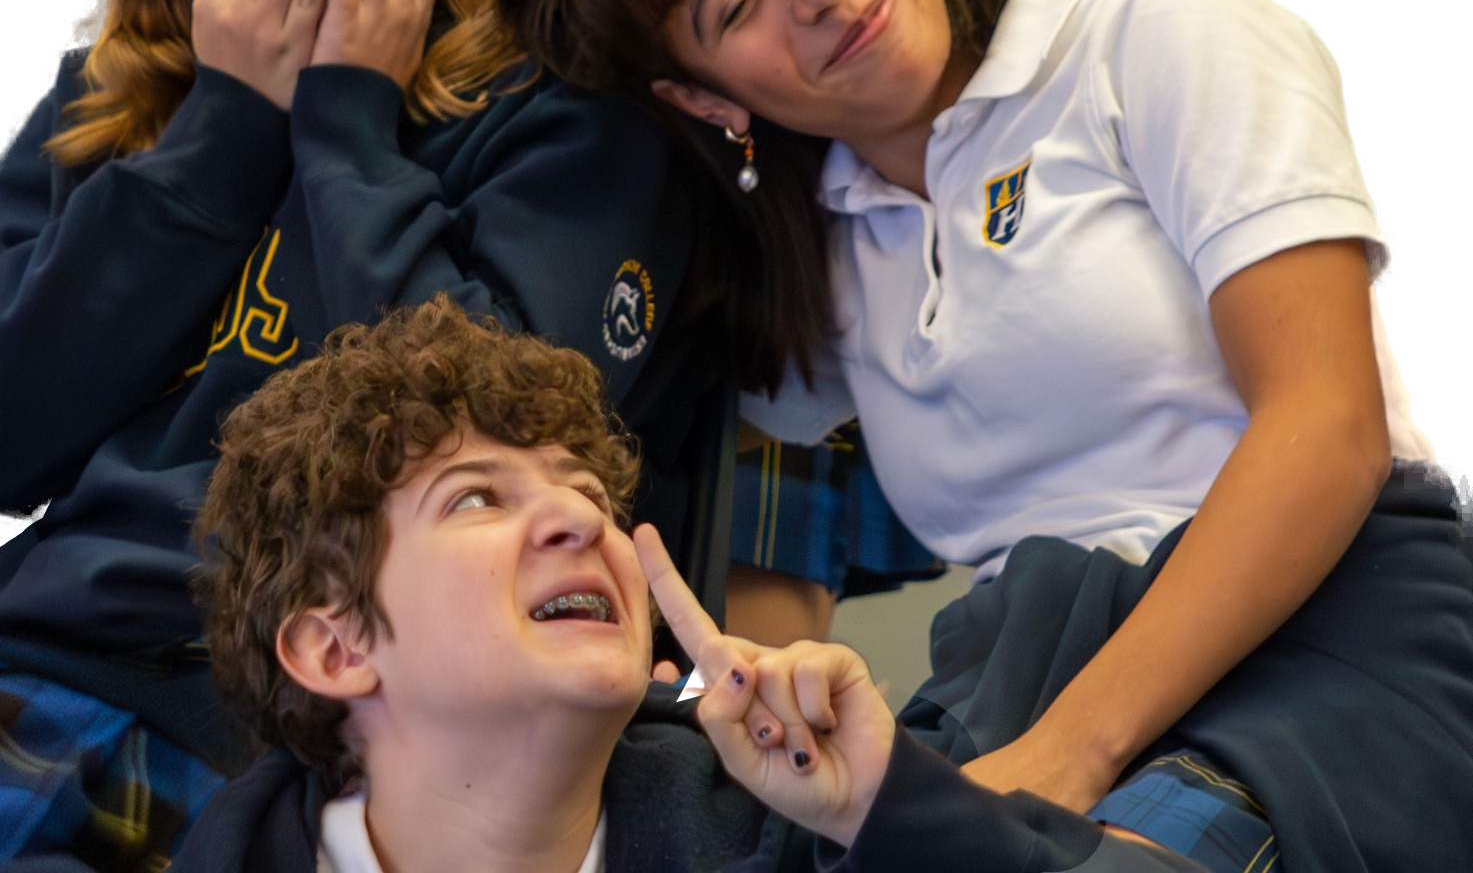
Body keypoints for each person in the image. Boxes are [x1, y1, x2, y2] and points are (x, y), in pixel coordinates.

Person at [494, 0, 1473, 872]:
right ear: (703, 97)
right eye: (734, 8)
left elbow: (1329, 426)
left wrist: (1068, 752)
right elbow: (688, 457)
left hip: (1328, 631)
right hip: (1023, 672)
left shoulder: (1149, 30)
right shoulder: (825, 257)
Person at [0, 0, 722, 873]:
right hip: (15, 662)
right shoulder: (118, 92)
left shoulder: (565, 110)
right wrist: (227, 123)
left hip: (312, 732)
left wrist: (345, 115)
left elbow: (503, 433)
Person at [174, 294, 1204, 871]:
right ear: (334, 648)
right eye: (476, 498)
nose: (582, 520)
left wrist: (882, 807)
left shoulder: (784, 834)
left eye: (586, 492)